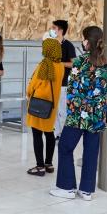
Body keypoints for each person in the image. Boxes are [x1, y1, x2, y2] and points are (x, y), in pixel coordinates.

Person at [50, 26, 107, 201]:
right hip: (97, 115)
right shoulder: (105, 62)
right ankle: (86, 191)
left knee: (65, 147)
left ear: (88, 42)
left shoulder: (80, 62)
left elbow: (73, 89)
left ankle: (67, 187)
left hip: (79, 114)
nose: (82, 41)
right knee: (91, 151)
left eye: (83, 38)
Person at [26, 39, 64, 176]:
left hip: (38, 104)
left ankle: (39, 166)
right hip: (51, 106)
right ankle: (49, 163)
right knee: (49, 133)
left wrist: (28, 92)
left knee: (37, 135)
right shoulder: (60, 66)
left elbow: (34, 84)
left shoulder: (45, 64)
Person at [49, 20, 77, 140]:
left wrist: (60, 64)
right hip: (51, 83)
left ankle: (64, 135)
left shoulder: (68, 46)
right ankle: (56, 134)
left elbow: (74, 64)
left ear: (60, 30)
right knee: (53, 110)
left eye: (54, 28)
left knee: (62, 111)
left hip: (63, 84)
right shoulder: (51, 44)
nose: (52, 30)